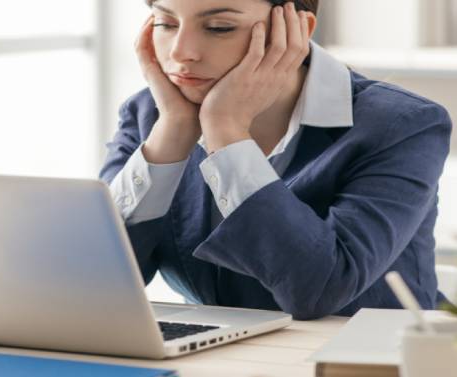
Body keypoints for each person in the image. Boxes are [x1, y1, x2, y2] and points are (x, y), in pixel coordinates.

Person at [99, 0, 452, 320]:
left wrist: (227, 131)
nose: (181, 52)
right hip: (223, 361)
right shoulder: (151, 114)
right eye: (165, 23)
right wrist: (173, 132)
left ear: (298, 29)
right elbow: (96, 284)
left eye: (219, 27)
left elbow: (320, 290)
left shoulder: (403, 125)